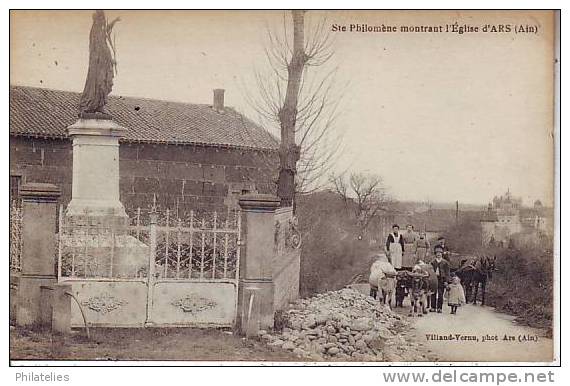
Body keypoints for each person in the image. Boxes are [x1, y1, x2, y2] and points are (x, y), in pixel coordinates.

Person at [430, 247, 450, 313]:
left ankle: (439, 308)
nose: (438, 254)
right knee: (433, 293)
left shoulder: (445, 262)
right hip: (434, 279)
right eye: (437, 253)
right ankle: (433, 307)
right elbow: (430, 271)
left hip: (442, 279)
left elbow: (447, 273)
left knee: (441, 294)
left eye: (440, 253)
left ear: (442, 254)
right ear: (435, 254)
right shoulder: (432, 262)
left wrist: (446, 281)